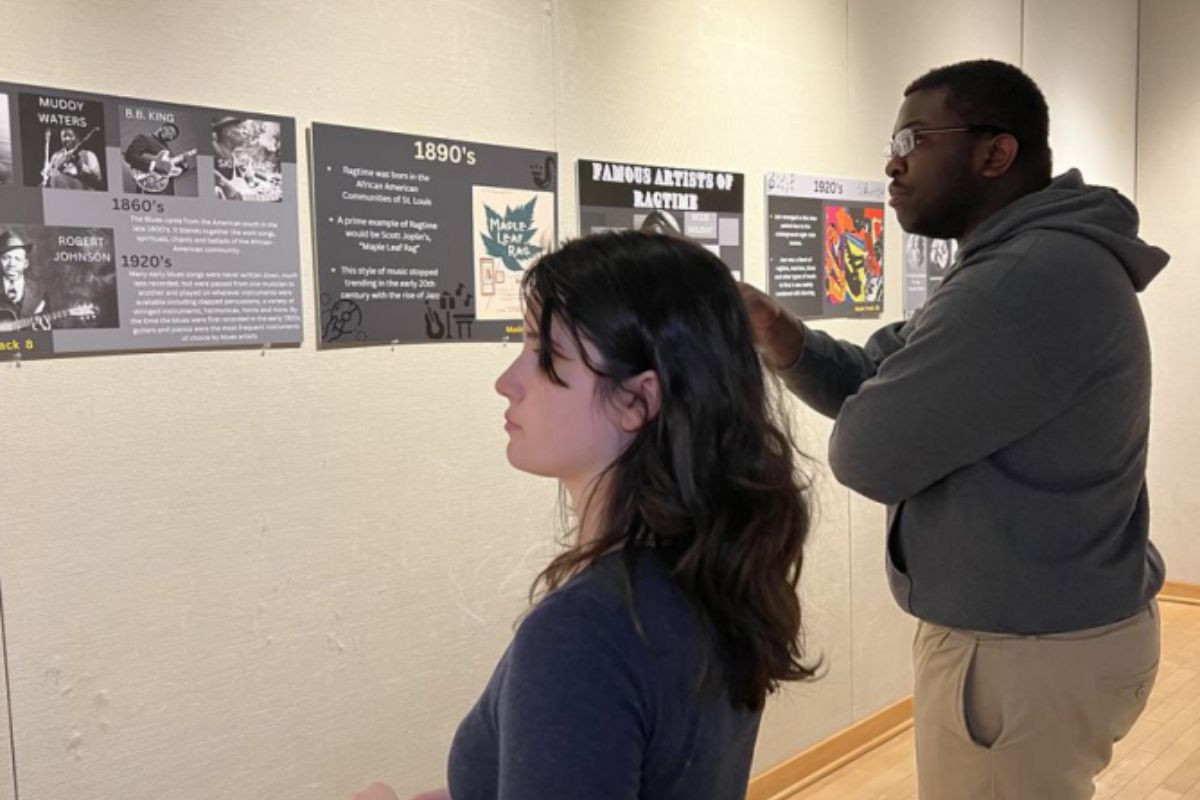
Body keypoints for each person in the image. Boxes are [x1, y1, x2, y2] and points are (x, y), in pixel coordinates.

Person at [741, 59, 1168, 799]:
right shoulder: (1022, 263)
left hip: (1021, 656)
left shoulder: (1020, 278)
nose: (892, 161)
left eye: (914, 137)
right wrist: (781, 334)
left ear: (994, 153)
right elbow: (884, 372)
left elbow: (867, 452)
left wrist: (875, 400)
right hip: (1057, 636)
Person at [350, 231, 817, 800]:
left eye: (543, 355)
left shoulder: (585, 635)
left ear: (635, 401)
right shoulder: (712, 576)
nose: (507, 384)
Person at [0, 230, 52, 330]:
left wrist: (45, 331)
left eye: (17, 259)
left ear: (25, 264)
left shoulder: (40, 292)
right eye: (6, 258)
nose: (12, 264)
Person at [123, 122, 191, 195]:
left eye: (173, 136)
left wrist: (184, 166)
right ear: (162, 128)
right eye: (170, 131)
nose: (171, 136)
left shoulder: (169, 152)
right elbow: (130, 156)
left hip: (167, 191)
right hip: (148, 185)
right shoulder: (144, 138)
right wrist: (155, 166)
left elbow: (171, 171)